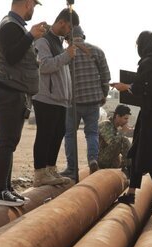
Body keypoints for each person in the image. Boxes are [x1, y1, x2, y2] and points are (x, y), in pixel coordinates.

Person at [0, 0, 47, 206]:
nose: (33, 10)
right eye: (34, 6)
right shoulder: (10, 26)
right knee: (6, 141)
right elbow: (12, 56)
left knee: (8, 142)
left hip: (14, 92)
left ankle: (6, 188)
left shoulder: (16, 27)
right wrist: (31, 36)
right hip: (8, 92)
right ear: (27, 4)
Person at [112, 31, 152, 210]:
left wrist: (125, 87)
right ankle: (131, 193)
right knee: (138, 151)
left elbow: (143, 88)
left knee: (151, 157)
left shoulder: (149, 63)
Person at [31, 8, 78, 187]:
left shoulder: (59, 43)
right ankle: (40, 172)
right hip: (45, 97)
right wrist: (67, 55)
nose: (69, 31)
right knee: (45, 134)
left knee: (57, 133)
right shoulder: (43, 41)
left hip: (60, 99)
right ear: (62, 22)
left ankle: (50, 168)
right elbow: (44, 66)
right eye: (69, 27)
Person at [61, 25, 111, 178]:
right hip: (93, 100)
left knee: (70, 134)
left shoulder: (66, 54)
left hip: (72, 102)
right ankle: (93, 160)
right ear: (83, 36)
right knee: (92, 133)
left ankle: (72, 168)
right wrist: (104, 94)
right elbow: (105, 77)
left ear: (67, 39)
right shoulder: (97, 51)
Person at [97, 104, 132, 170]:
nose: (127, 121)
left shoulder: (115, 128)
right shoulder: (106, 125)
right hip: (100, 159)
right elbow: (112, 142)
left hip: (108, 159)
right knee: (123, 140)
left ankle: (129, 165)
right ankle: (128, 168)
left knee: (125, 141)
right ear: (117, 116)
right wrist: (122, 132)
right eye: (125, 118)